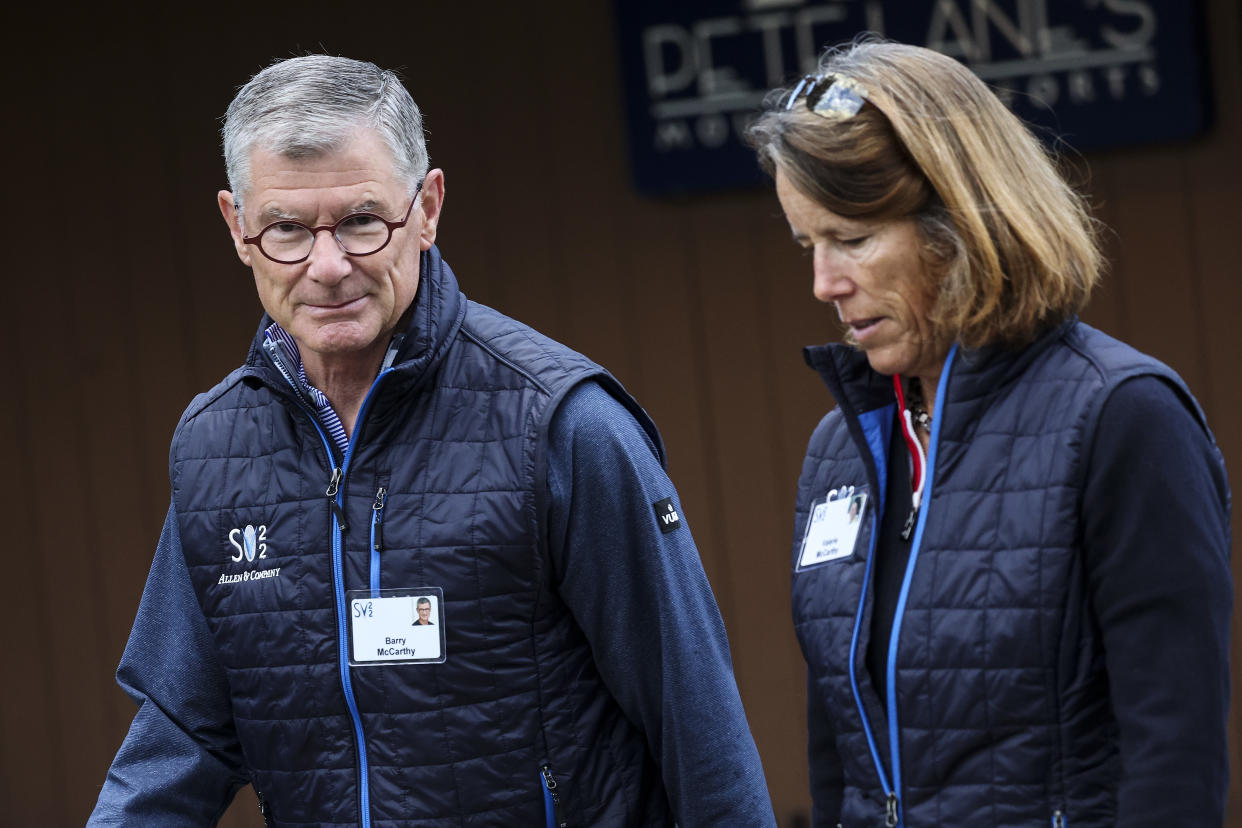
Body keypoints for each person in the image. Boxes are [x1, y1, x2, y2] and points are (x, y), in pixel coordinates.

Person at [88, 55, 774, 827]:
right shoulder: (215, 449)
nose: (327, 265)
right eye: (286, 228)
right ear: (237, 227)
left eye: (360, 221)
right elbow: (180, 738)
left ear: (428, 208)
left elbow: (698, 724)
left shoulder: (562, 425)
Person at [748, 40, 1231, 827]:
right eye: (810, 245)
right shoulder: (841, 450)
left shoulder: (1123, 416)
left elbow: (1175, 758)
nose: (824, 284)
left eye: (853, 238)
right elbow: (841, 760)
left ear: (960, 222)